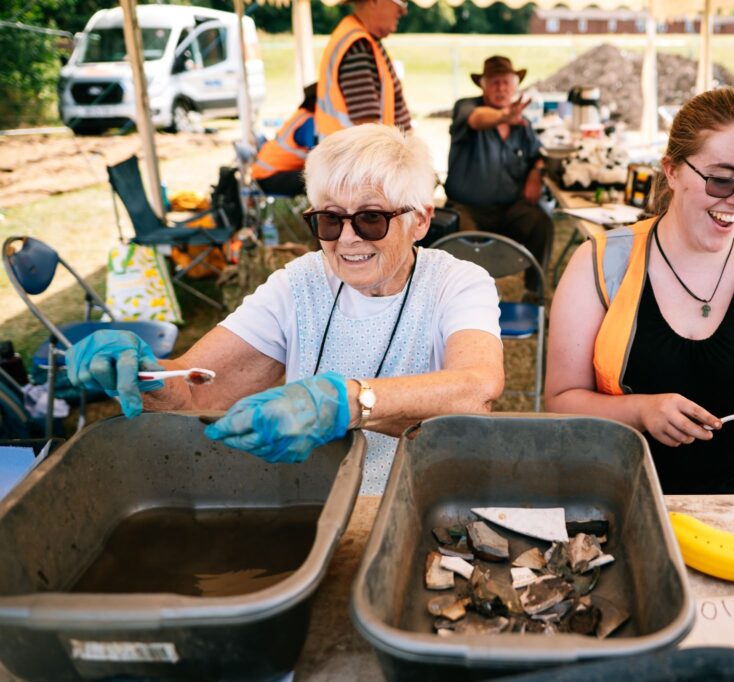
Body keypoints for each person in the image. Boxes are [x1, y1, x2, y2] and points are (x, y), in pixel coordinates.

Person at [65, 124, 504, 494]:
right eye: (330, 219)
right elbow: (196, 391)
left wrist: (350, 401)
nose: (347, 238)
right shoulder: (301, 281)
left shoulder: (457, 282)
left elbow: (475, 389)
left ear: (420, 221)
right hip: (306, 501)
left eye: (371, 218)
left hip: (416, 496)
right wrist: (146, 375)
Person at [544, 86, 734, 495]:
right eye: (721, 179)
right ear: (672, 170)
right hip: (620, 500)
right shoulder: (600, 263)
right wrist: (640, 410)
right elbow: (559, 403)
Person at [444, 55, 553, 300]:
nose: (501, 88)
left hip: (509, 209)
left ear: (515, 86)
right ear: (483, 85)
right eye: (494, 82)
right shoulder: (466, 107)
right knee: (464, 242)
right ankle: (467, 299)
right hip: (468, 208)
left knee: (541, 223)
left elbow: (539, 154)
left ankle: (533, 293)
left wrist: (535, 173)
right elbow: (476, 119)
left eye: (506, 82)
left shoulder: (522, 125)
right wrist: (503, 116)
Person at [314, 0, 412, 138]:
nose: (403, 11)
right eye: (400, 2)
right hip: (358, 157)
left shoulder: (362, 39)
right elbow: (366, 125)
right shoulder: (357, 46)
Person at [251, 84, 317, 197]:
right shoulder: (309, 121)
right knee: (320, 180)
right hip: (270, 177)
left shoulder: (302, 115)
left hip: (264, 175)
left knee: (317, 178)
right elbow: (316, 152)